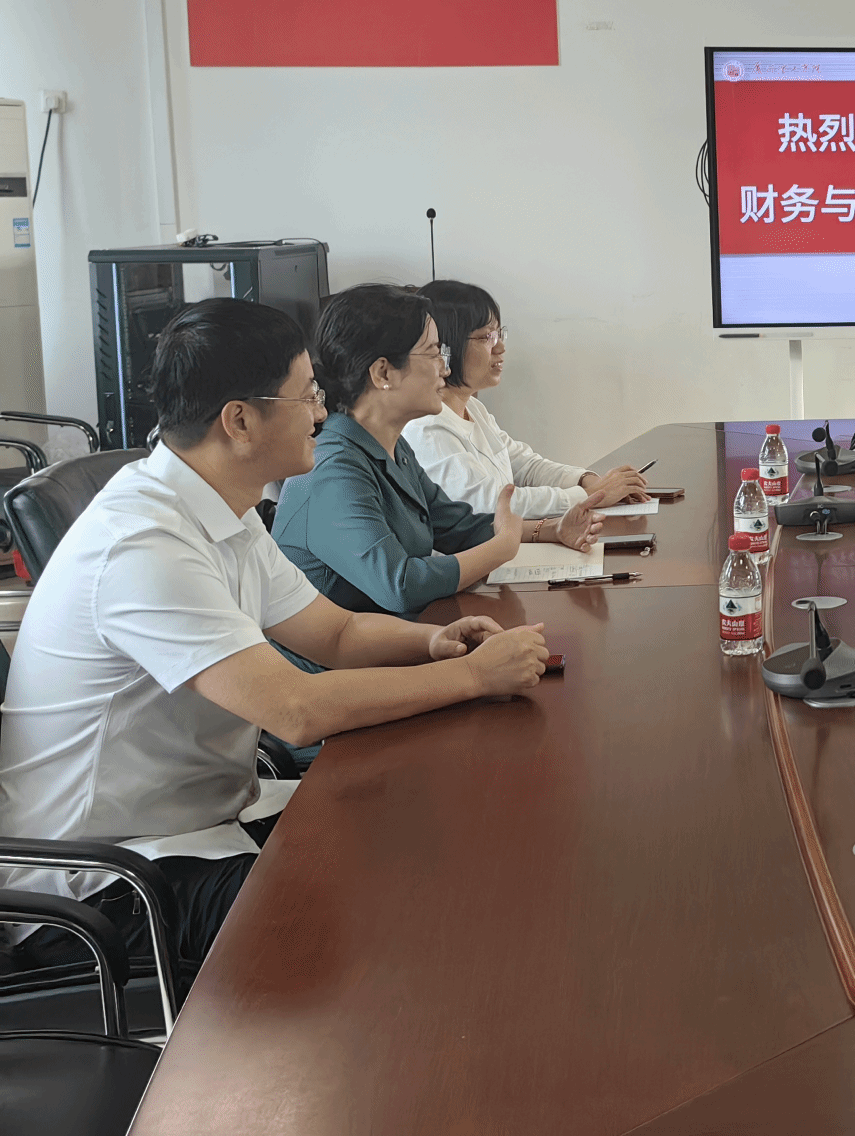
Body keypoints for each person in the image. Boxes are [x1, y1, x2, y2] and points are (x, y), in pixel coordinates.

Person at [0, 299, 552, 972]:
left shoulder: (223, 510)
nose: (321, 413)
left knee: (424, 831)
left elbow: (336, 633)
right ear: (239, 421)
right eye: (306, 396)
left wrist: (434, 644)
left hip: (200, 826)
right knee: (386, 911)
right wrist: (471, 677)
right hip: (108, 883)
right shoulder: (141, 544)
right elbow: (295, 710)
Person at [274, 284, 599, 617]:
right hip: (355, 649)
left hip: (404, 634)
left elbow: (456, 527)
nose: (445, 368)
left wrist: (550, 530)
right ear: (383, 372)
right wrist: (500, 549)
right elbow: (400, 585)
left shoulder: (390, 446)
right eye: (433, 353)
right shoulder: (333, 469)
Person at [404, 279, 648, 521]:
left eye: (498, 334)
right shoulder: (426, 427)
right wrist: (589, 496)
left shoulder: (472, 407)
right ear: (444, 347)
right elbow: (488, 504)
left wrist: (588, 480)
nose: (500, 347)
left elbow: (525, 466)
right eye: (486, 337)